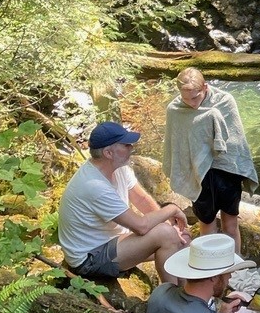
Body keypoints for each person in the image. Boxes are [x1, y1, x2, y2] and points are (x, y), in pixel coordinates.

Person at [58, 121, 191, 284]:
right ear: (108, 153)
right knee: (166, 234)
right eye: (126, 145)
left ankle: (188, 296)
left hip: (113, 242)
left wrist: (172, 225)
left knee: (182, 237)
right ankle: (173, 301)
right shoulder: (94, 186)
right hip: (90, 259)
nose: (131, 147)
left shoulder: (118, 168)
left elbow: (142, 200)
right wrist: (172, 209)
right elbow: (141, 226)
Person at [164, 68, 258, 252]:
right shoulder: (175, 110)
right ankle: (211, 272)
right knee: (206, 224)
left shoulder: (224, 101)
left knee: (230, 223)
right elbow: (177, 144)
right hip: (199, 175)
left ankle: (234, 269)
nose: (191, 104)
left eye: (195, 97)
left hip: (227, 170)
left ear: (205, 87)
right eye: (185, 98)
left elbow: (235, 142)